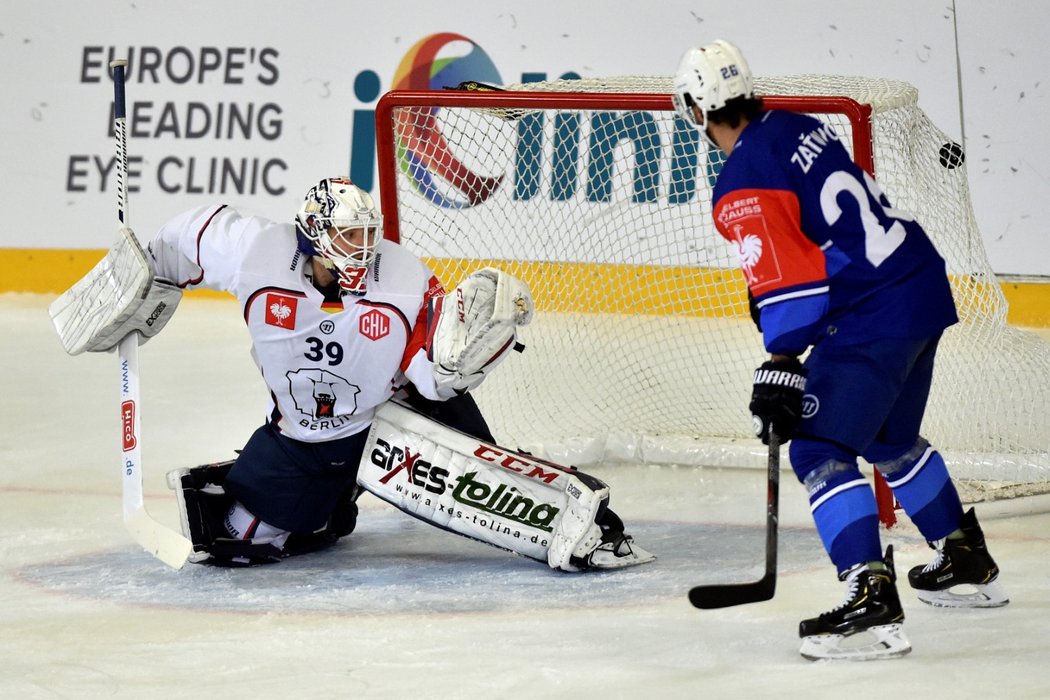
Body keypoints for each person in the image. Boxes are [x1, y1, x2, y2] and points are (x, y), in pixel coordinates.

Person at [671, 41, 1008, 660]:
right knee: (885, 439)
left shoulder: (741, 179)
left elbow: (794, 288)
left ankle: (869, 597)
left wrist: (781, 362)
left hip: (871, 313)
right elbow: (817, 236)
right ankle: (963, 555)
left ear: (696, 110)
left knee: (821, 446)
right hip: (918, 288)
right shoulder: (797, 126)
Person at [146, 176, 653, 571]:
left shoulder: (405, 277)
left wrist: (469, 356)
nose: (363, 247)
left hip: (401, 408)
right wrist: (141, 282)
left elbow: (434, 376)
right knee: (239, 540)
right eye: (348, 236)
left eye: (369, 233)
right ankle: (333, 503)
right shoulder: (257, 253)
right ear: (315, 239)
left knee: (490, 480)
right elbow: (188, 236)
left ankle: (587, 523)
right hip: (306, 435)